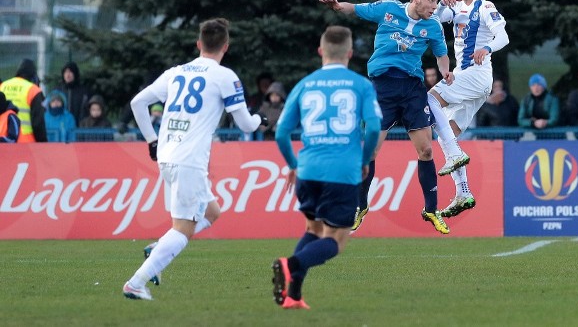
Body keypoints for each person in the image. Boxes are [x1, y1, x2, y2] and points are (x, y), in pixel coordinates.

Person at [122, 17, 268, 301]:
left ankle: (159, 248)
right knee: (184, 228)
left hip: (167, 155)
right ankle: (136, 282)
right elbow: (246, 125)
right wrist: (261, 118)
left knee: (212, 212)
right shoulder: (225, 76)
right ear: (225, 46)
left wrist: (151, 140)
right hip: (189, 160)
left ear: (199, 43)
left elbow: (137, 103)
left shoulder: (175, 72)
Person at [319, 0, 453, 235]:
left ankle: (431, 210)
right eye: (431, 1)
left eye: (436, 2)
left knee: (426, 150)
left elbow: (441, 54)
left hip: (412, 89)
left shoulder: (433, 26)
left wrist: (446, 72)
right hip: (382, 89)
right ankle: (360, 206)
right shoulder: (388, 9)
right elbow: (357, 8)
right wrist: (338, 6)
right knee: (370, 151)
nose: (434, 6)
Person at [271, 25, 381, 310]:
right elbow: (374, 129)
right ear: (350, 53)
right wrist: (364, 160)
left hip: (308, 170)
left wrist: (293, 165)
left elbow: (281, 132)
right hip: (342, 171)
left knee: (313, 228)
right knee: (336, 239)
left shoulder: (304, 84)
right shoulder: (361, 85)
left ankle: (293, 294)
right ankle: (289, 264)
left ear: (321, 51)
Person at [428, 0, 510, 218]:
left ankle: (456, 155)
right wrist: (442, 5)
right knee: (445, 132)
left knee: (429, 99)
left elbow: (503, 37)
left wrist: (487, 49)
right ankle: (463, 191)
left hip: (477, 74)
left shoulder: (485, 7)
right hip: (468, 79)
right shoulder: (456, 7)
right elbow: (433, 18)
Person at [0, 58, 47, 142]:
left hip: (4, 141)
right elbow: (38, 123)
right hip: (26, 143)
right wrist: (43, 144)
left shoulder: (3, 86)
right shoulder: (33, 90)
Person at [57, 61, 92, 126]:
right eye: (66, 72)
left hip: (80, 128)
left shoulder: (84, 91)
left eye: (70, 72)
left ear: (75, 74)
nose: (68, 75)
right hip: (61, 129)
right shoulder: (57, 91)